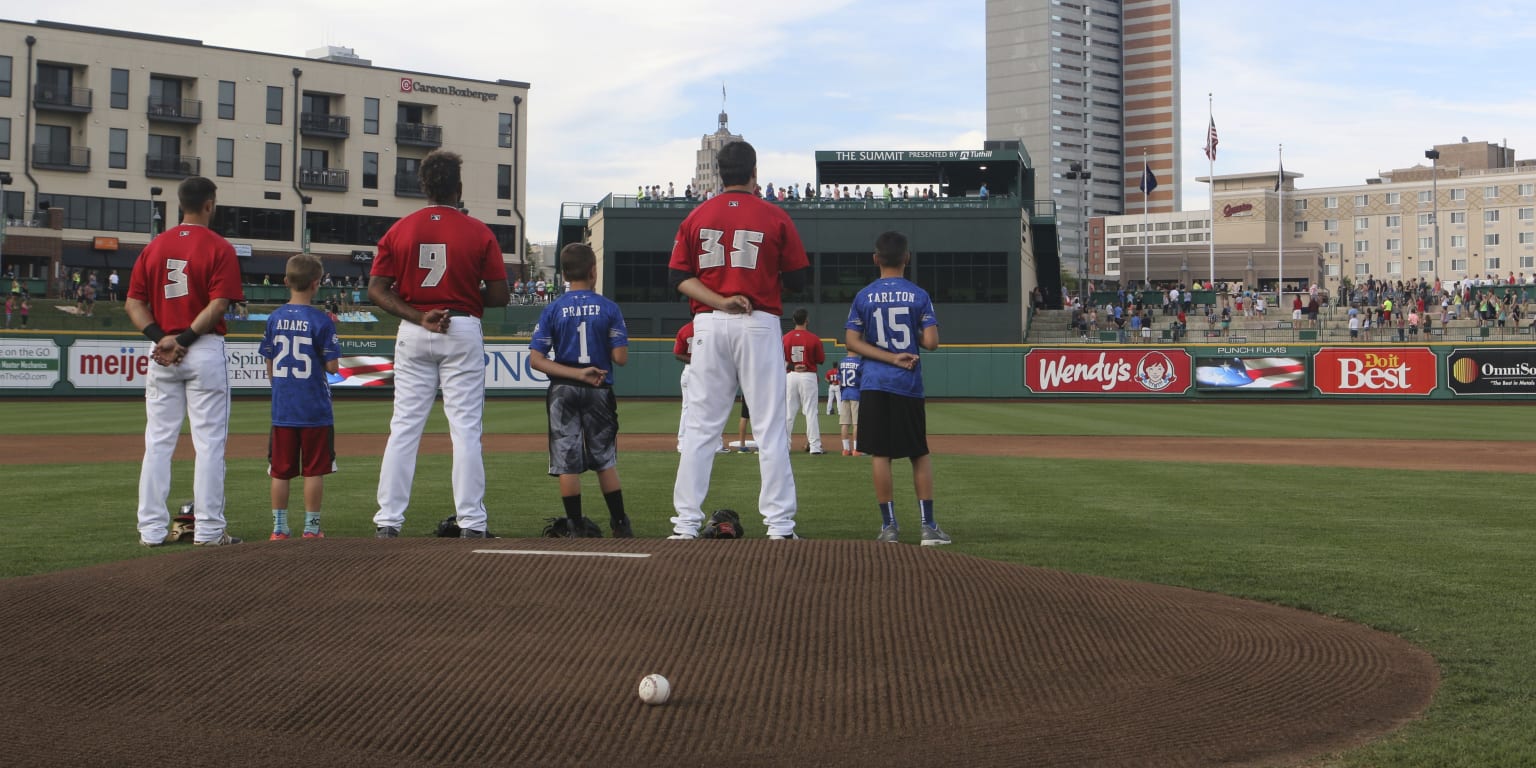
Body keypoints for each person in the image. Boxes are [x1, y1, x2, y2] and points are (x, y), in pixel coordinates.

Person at [668, 140, 810, 540]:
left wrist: (721, 300)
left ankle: (685, 525)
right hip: (759, 320)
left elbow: (677, 280)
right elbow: (799, 280)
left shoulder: (697, 215)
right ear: (754, 173)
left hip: (710, 324)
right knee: (770, 428)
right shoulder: (774, 215)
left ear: (719, 171)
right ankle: (780, 526)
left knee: (700, 429)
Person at [368, 149, 510, 539]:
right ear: (459, 189)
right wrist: (462, 298)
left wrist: (419, 316)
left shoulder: (399, 230)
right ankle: (471, 523)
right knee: (464, 429)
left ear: (424, 187)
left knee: (404, 428)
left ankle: (388, 521)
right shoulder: (479, 231)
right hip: (461, 325)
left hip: (415, 329)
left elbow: (376, 290)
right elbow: (500, 296)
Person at [125, 176, 246, 547]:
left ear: (181, 205)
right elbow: (219, 304)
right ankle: (209, 531)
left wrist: (161, 339)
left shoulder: (154, 246)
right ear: (209, 204)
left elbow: (133, 303)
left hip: (161, 349)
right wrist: (185, 339)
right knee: (208, 444)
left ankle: (151, 531)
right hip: (202, 347)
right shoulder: (219, 246)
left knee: (158, 444)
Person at [845, 231, 946, 545]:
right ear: (907, 258)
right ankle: (928, 528)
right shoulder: (919, 295)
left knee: (880, 454)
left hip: (874, 383)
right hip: (908, 384)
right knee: (918, 453)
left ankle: (889, 528)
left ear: (875, 259)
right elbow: (931, 343)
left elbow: (852, 341)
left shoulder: (863, 296)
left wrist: (886, 356)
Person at [528, 243, 633, 538]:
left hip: (564, 388)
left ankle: (574, 526)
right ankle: (620, 524)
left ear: (563, 274)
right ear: (593, 271)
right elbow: (620, 358)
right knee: (604, 459)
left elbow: (536, 360)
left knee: (567, 461)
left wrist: (574, 372)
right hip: (599, 386)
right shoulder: (609, 307)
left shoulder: (553, 309)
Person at [259, 254, 342, 541]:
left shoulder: (274, 317)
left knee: (280, 471)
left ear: (286, 281)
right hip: (314, 408)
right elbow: (332, 366)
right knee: (313, 470)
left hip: (284, 406)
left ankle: (279, 528)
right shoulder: (322, 320)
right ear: (316, 284)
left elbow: (269, 363)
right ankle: (311, 528)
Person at [782, 307, 825, 454]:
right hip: (808, 375)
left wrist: (793, 365)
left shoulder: (785, 338)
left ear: (794, 320)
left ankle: (784, 446)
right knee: (811, 412)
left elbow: (780, 360)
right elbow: (821, 359)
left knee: (788, 413)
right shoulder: (813, 338)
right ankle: (815, 447)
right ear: (806, 320)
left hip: (791, 375)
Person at [836, 353, 862, 456]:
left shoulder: (842, 362)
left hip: (845, 393)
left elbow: (839, 380)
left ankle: (845, 450)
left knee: (844, 423)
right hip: (856, 393)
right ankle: (856, 450)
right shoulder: (859, 362)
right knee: (856, 424)